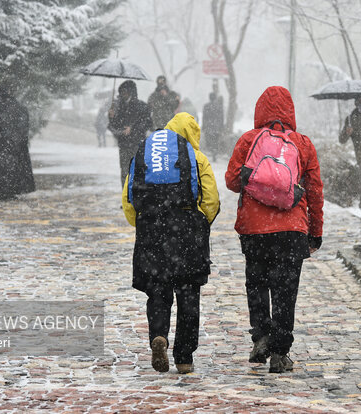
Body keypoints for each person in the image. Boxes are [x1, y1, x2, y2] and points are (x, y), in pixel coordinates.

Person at [225, 86, 324, 374]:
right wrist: (315, 231)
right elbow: (315, 192)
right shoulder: (303, 144)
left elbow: (232, 181)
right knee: (285, 291)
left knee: (256, 285)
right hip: (292, 229)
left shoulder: (248, 140)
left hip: (255, 229)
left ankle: (262, 337)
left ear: (260, 110)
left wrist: (254, 178)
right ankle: (281, 353)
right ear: (291, 111)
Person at [122, 112, 220, 374]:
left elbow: (129, 199)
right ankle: (185, 356)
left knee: (158, 290)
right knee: (188, 294)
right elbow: (210, 200)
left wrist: (143, 225)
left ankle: (159, 335)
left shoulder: (147, 155)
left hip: (151, 231)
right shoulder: (196, 158)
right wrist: (200, 225)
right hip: (187, 232)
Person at [0, 80, 35, 200]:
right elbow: (22, 121)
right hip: (12, 143)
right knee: (11, 168)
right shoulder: (14, 106)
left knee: (0, 167)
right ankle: (9, 191)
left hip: (1, 143)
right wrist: (19, 138)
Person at [108, 80, 153, 187]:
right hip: (124, 144)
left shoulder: (142, 106)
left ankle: (136, 196)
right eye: (121, 91)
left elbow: (148, 123)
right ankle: (126, 197)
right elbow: (114, 126)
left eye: (125, 91)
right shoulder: (118, 106)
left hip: (137, 143)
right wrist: (111, 116)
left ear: (131, 91)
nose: (123, 94)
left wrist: (132, 129)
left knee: (137, 171)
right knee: (124, 171)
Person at [202, 92, 224, 161]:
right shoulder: (219, 106)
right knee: (216, 140)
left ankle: (212, 150)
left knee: (210, 140)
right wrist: (221, 126)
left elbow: (204, 117)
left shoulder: (206, 106)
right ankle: (214, 151)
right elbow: (221, 117)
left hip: (209, 126)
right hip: (216, 126)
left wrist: (204, 125)